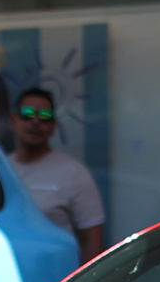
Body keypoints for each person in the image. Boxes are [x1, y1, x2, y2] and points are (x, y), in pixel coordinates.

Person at [9, 87, 106, 261]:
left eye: (45, 117)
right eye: (28, 114)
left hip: (56, 275)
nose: (36, 122)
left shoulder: (74, 173)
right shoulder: (0, 169)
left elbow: (93, 239)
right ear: (13, 121)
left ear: (54, 126)